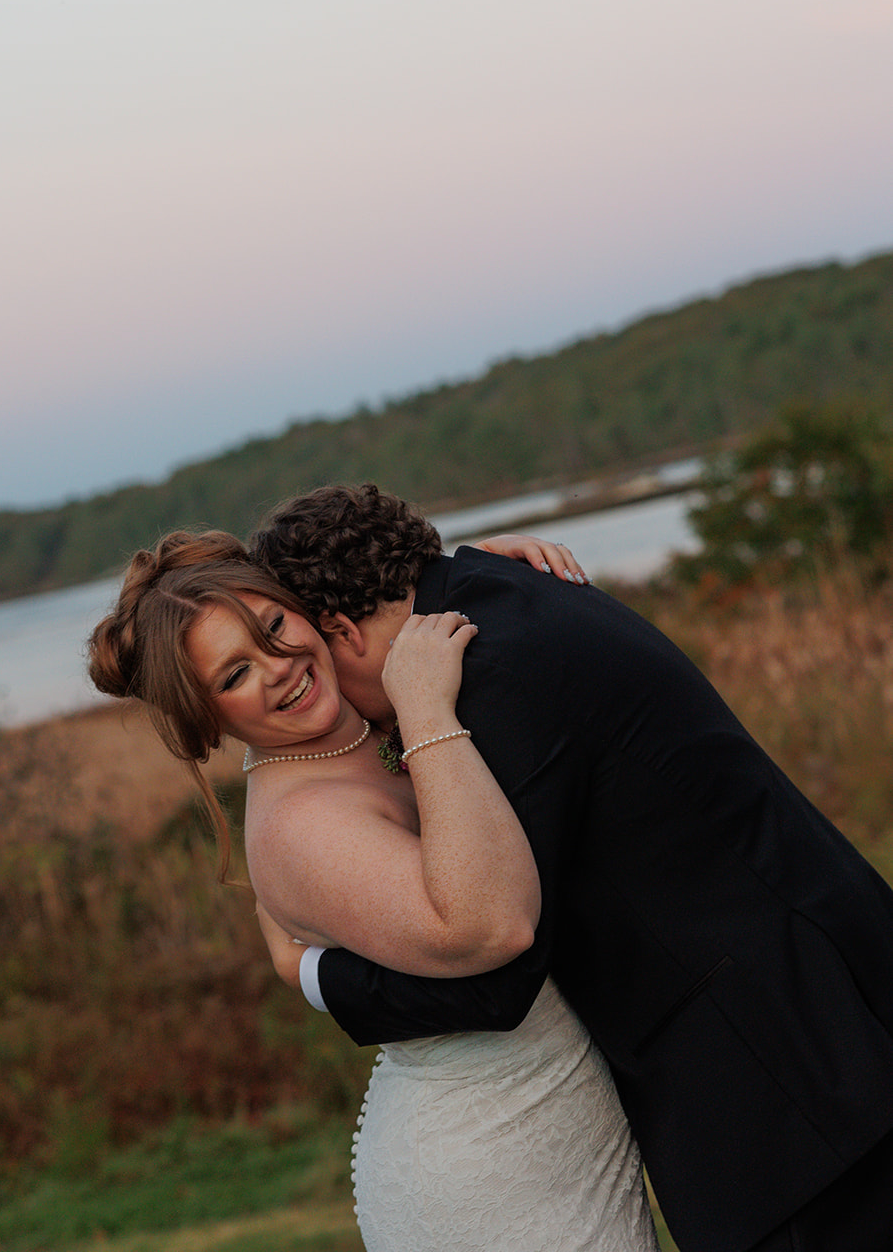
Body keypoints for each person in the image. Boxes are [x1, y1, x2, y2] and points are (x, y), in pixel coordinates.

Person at [249, 482, 893, 1252]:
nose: (358, 716)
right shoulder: (507, 591)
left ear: (341, 630)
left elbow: (493, 970)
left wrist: (311, 972)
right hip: (825, 1013)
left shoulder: (487, 679)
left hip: (786, 1079)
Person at [86, 529, 659, 1251]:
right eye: (233, 677)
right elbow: (491, 928)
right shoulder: (299, 822)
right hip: (491, 1164)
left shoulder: (354, 720)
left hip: (567, 1119)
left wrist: (463, 577)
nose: (279, 667)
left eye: (273, 627)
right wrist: (425, 711)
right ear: (207, 717)